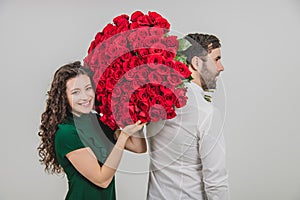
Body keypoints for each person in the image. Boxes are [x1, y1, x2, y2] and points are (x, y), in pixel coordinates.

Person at [37, 61, 147, 200]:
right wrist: (124, 135)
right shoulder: (66, 132)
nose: (85, 97)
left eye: (88, 88)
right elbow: (102, 180)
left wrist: (135, 116)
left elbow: (139, 147)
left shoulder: (97, 121)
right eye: (75, 92)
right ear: (63, 97)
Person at [146, 33, 229, 199]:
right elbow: (216, 181)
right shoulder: (206, 112)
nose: (221, 67)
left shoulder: (153, 104)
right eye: (216, 59)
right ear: (196, 63)